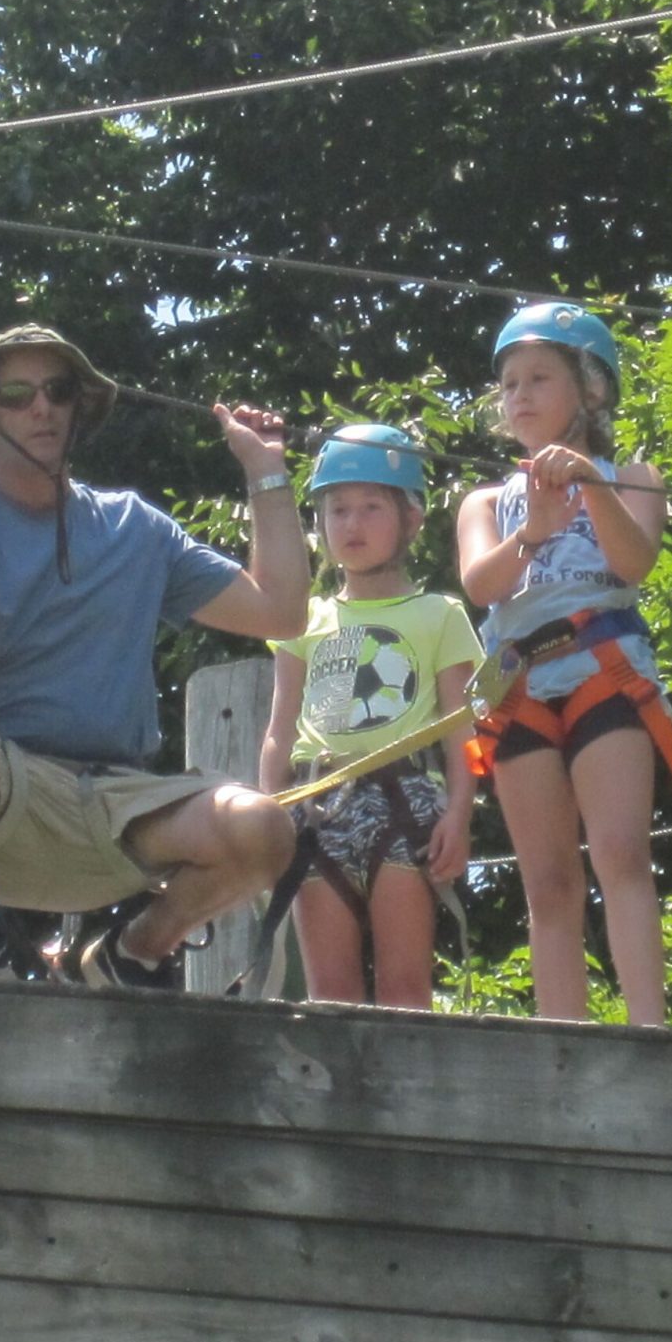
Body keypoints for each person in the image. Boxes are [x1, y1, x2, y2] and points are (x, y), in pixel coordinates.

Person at [0, 324, 308, 984]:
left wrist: (266, 470)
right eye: (16, 394)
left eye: (58, 389)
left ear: (79, 407)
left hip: (117, 803)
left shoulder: (135, 527)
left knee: (264, 829)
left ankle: (130, 952)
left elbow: (281, 612)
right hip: (2, 800)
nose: (40, 407)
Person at [455, 303, 672, 1026]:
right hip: (520, 684)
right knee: (549, 881)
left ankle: (648, 1026)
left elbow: (636, 564)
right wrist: (532, 532)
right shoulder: (485, 502)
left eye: (538, 378)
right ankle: (561, 1036)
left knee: (621, 851)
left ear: (590, 390)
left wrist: (591, 487)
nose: (519, 396)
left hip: (605, 667)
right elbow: (481, 587)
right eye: (508, 384)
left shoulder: (633, 478)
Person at [258, 425, 479, 1010]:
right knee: (330, 995)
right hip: (315, 803)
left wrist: (459, 813)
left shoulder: (440, 614)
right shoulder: (302, 619)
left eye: (371, 508)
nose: (352, 525)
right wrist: (266, 815)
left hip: (405, 798)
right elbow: (280, 729)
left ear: (410, 518)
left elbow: (462, 729)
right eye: (338, 510)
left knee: (406, 989)